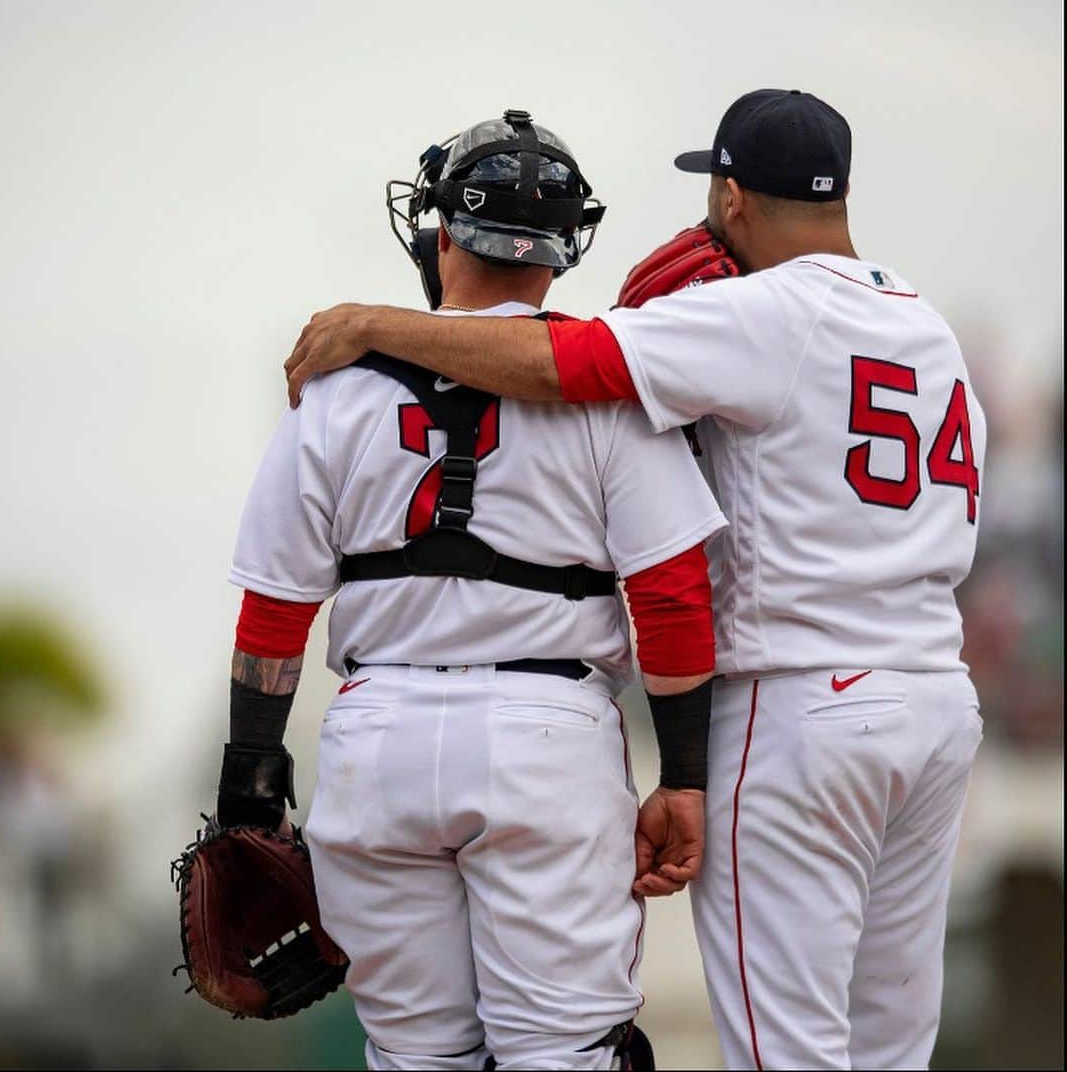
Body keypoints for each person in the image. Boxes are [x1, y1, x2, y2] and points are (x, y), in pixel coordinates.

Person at [281, 89, 988, 1070]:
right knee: (891, 1050)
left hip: (804, 709)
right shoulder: (928, 328)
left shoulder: (759, 312)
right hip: (936, 706)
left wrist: (374, 324)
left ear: (733, 195)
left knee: (790, 1054)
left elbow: (562, 361)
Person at [221, 109, 728, 1070]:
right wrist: (689, 778)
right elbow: (671, 598)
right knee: (564, 1054)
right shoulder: (607, 388)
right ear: (563, 249)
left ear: (440, 233)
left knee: (415, 1058)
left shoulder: (336, 384)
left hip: (378, 743)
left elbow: (273, 613)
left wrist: (247, 784)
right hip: (545, 738)